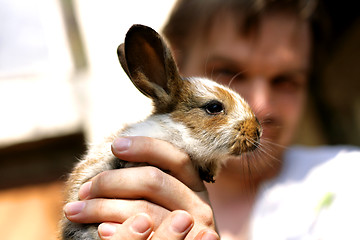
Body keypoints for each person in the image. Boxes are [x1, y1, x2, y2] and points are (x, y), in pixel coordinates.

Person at [63, 0, 360, 239]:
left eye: (285, 80)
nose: (260, 105)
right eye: (228, 71)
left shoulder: (348, 179)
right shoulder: (140, 150)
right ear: (173, 63)